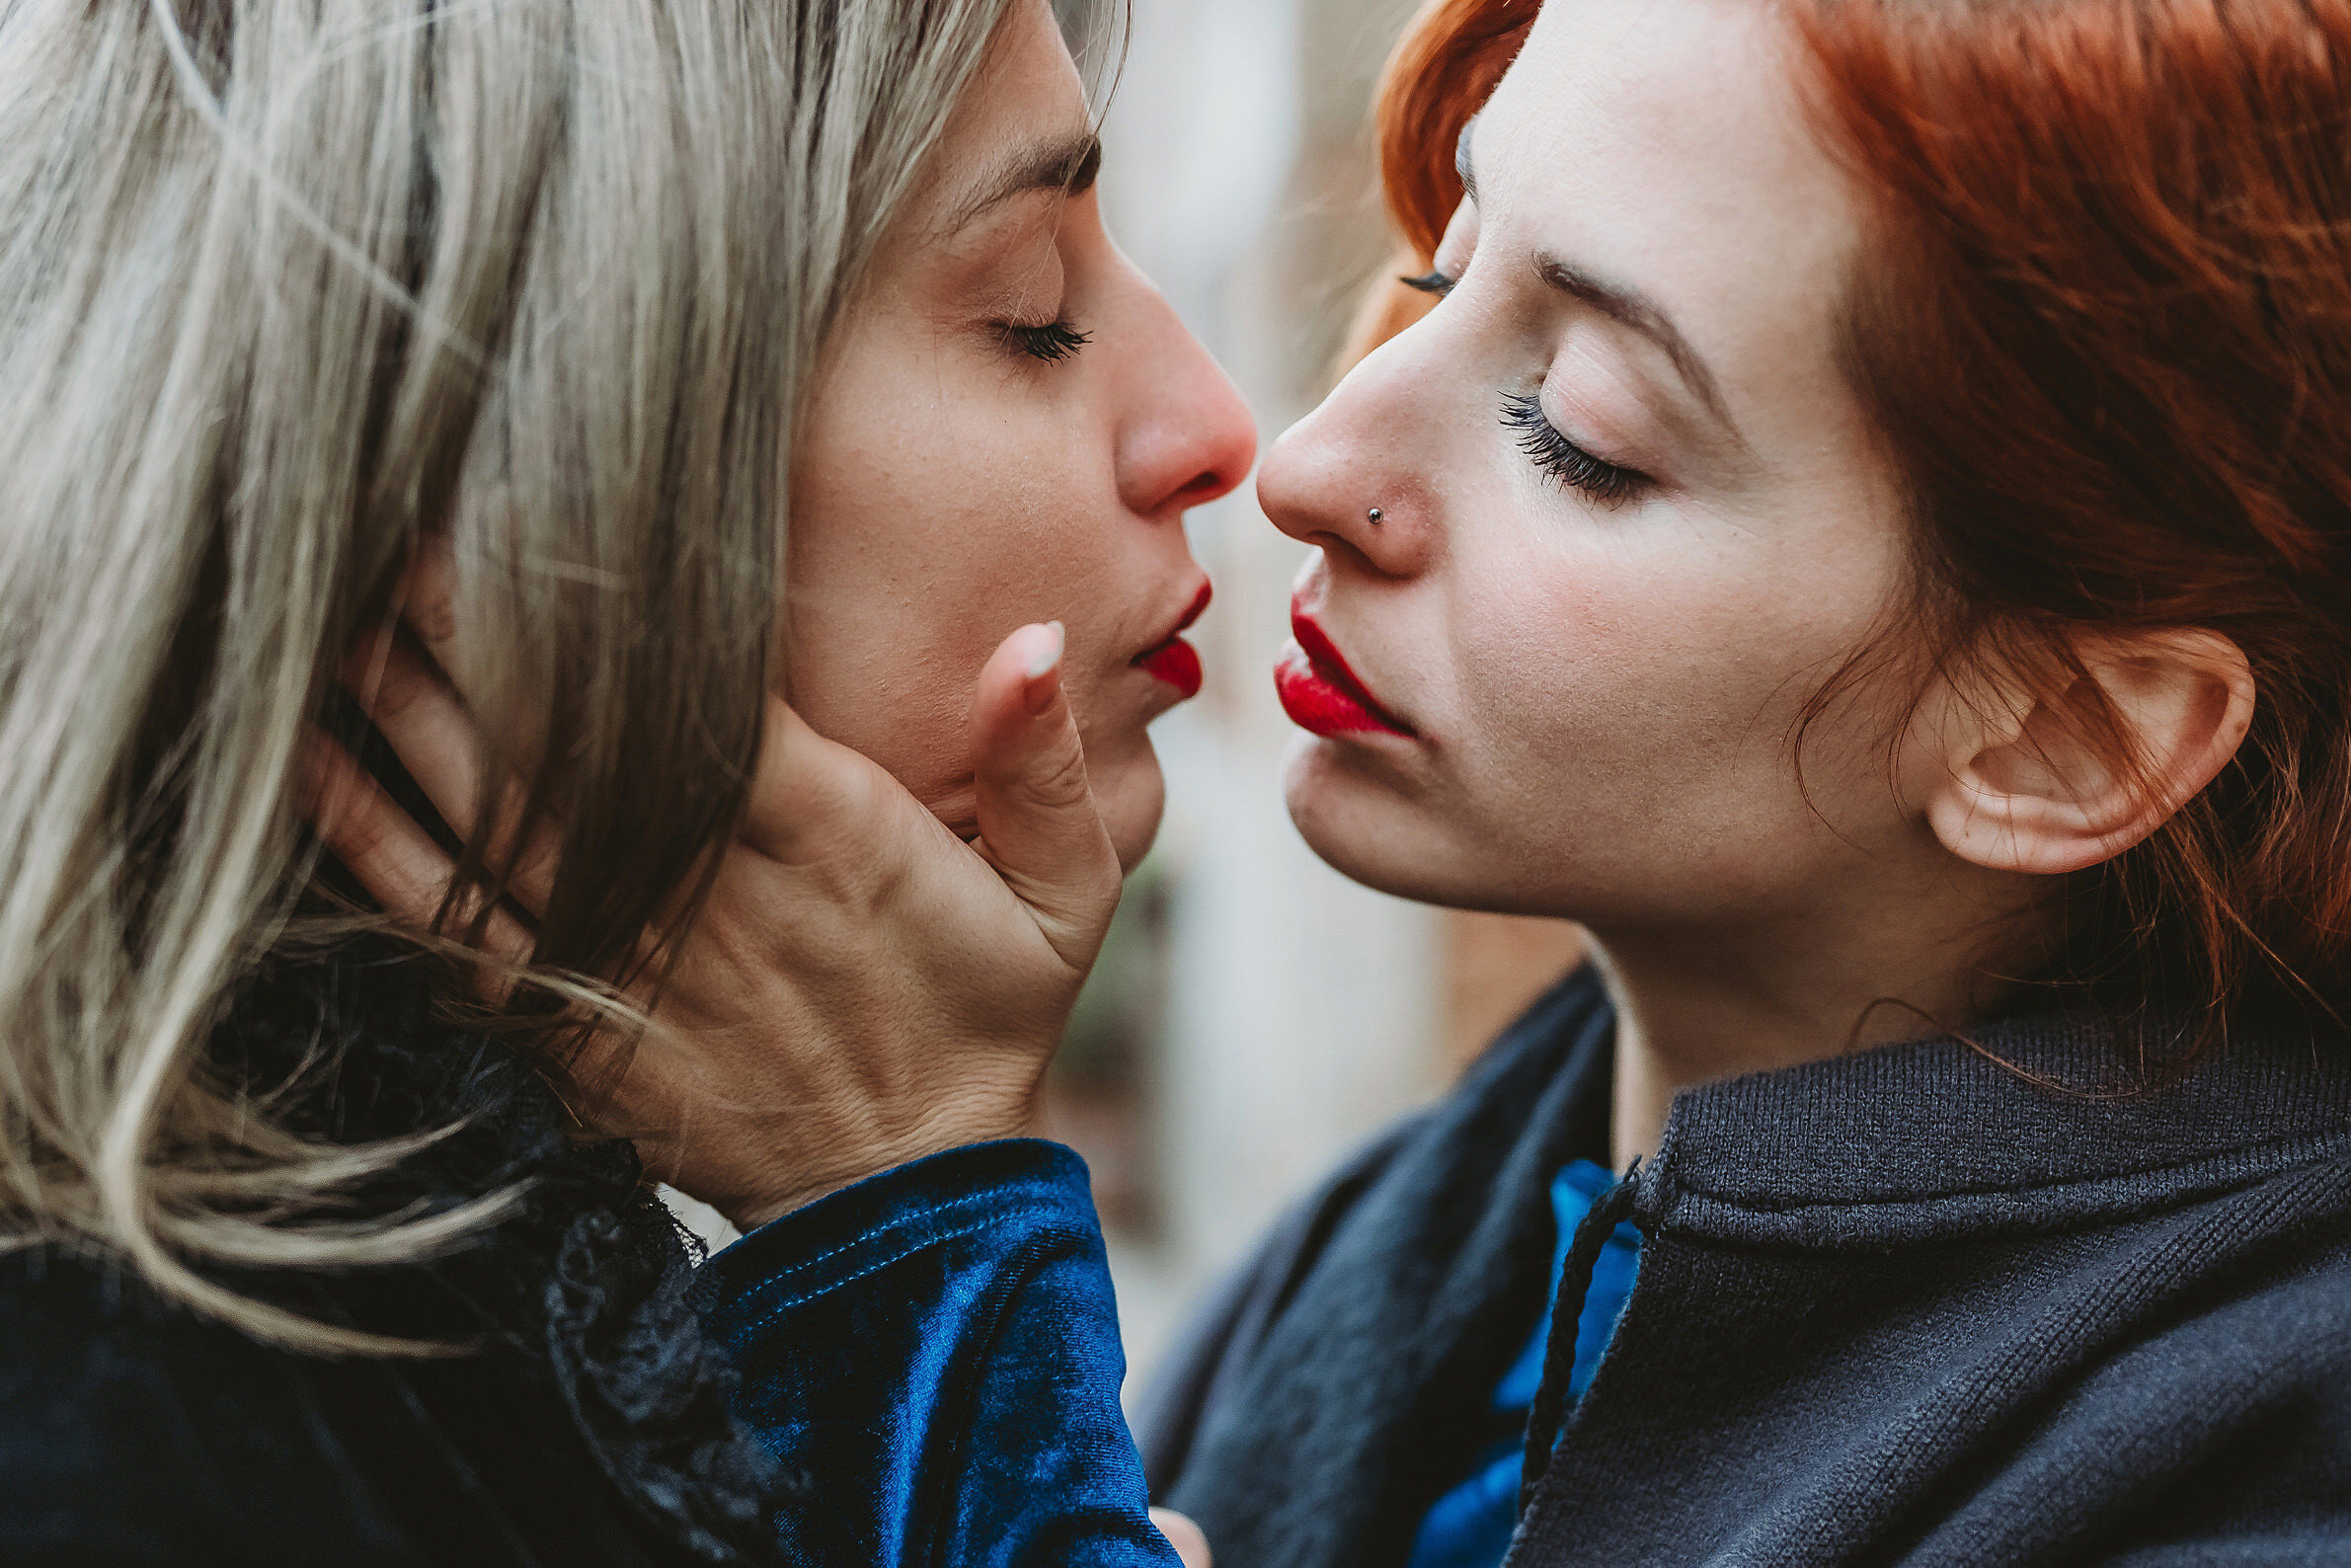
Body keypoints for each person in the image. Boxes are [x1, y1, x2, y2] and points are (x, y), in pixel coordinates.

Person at [0, 0, 1245, 1560]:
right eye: (1033, 306)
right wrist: (926, 1257)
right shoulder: (141, 1445)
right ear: (539, 450)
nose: (1218, 429)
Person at [1133, 1, 2351, 1565]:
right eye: (1442, 262)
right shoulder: (1401, 1250)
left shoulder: (2259, 1484)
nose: (1307, 462)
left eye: (1580, 434)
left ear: (2065, 738)